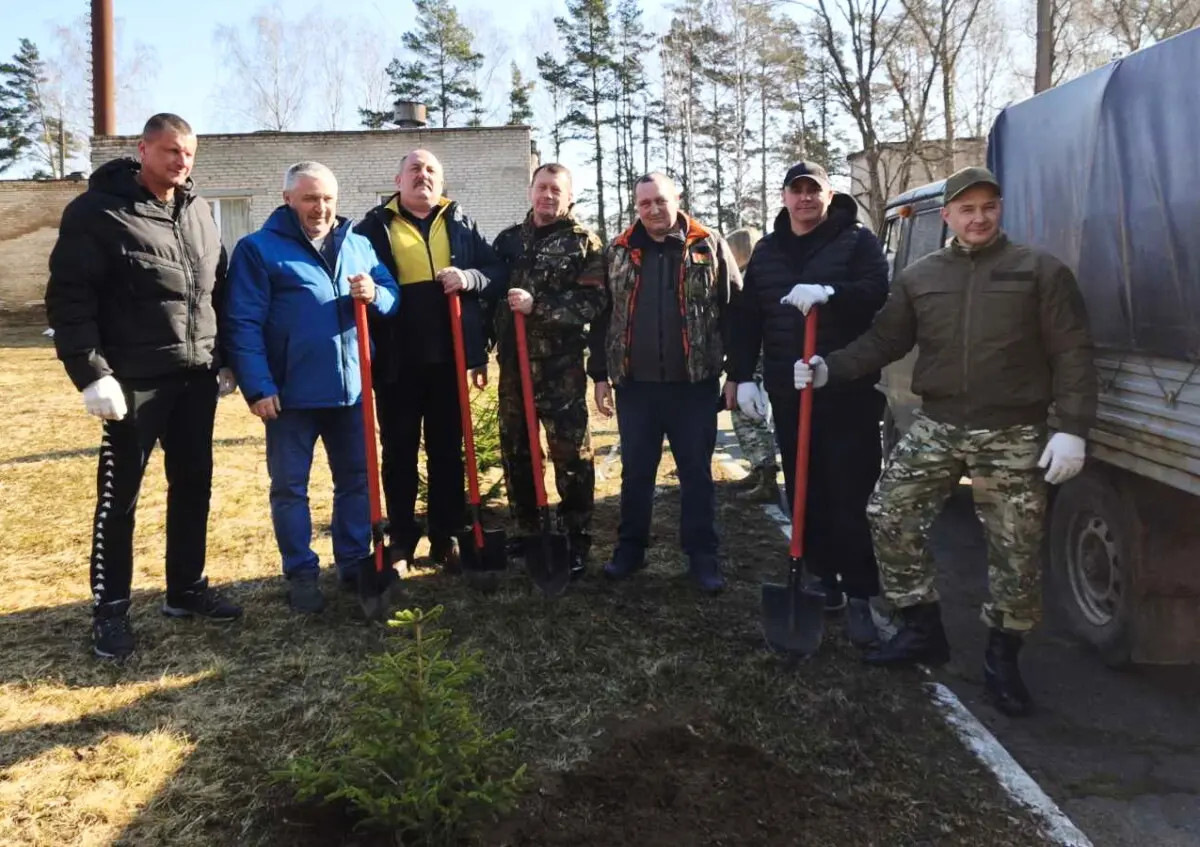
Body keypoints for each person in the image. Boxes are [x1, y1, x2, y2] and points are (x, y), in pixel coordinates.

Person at [794, 166, 1096, 715]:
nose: (978, 217)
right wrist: (827, 369)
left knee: (1016, 548)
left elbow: (1073, 353)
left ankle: (1003, 657)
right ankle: (920, 627)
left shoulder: (1039, 273)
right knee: (889, 513)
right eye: (966, 209)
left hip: (1012, 429)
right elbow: (885, 340)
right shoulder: (921, 275)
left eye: (987, 207)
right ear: (949, 216)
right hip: (939, 423)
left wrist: (1072, 428)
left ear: (999, 210)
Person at [45, 113, 242, 660]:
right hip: (132, 381)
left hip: (196, 376)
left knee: (193, 485)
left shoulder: (199, 211)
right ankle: (109, 611)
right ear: (143, 149)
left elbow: (215, 292)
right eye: (172, 151)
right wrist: (91, 374)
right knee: (121, 498)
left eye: (190, 155)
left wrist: (223, 358)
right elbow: (70, 300)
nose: (182, 163)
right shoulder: (96, 213)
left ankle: (186, 589)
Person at [223, 162, 399, 614]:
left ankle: (354, 560)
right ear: (288, 200)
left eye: (326, 199)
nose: (319, 208)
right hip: (289, 396)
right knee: (289, 488)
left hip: (351, 392)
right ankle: (301, 572)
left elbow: (391, 294)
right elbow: (242, 322)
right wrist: (258, 386)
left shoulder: (359, 245)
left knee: (356, 482)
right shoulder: (258, 250)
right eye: (309, 199)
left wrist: (375, 296)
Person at [729, 162, 890, 647]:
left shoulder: (856, 241)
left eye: (813, 191)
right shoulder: (769, 251)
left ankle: (861, 594)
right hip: (788, 386)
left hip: (847, 389)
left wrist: (830, 292)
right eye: (796, 191)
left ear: (828, 194)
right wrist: (740, 376)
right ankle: (822, 581)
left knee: (850, 494)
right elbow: (747, 315)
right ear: (783, 196)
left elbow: (877, 291)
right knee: (806, 491)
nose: (804, 199)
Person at [588, 172, 742, 594]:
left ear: (677, 199)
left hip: (694, 386)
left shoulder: (708, 246)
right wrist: (600, 374)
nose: (653, 209)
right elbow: (602, 318)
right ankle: (630, 550)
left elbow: (734, 310)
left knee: (696, 474)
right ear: (635, 207)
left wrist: (739, 375)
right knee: (636, 472)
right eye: (644, 204)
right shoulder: (617, 252)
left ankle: (702, 556)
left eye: (660, 200)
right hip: (635, 387)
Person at [355, 149, 505, 573]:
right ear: (397, 179)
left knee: (447, 452)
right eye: (415, 169)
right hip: (397, 363)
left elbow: (496, 272)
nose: (424, 176)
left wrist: (469, 278)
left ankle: (446, 534)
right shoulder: (373, 228)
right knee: (398, 451)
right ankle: (402, 538)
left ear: (441, 182)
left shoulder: (460, 223)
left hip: (450, 360)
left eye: (432, 170)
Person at [492, 163, 607, 578]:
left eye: (557, 190)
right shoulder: (508, 241)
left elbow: (593, 303)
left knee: (570, 453)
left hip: (561, 368)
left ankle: (575, 536)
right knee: (517, 451)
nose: (548, 196)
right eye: (542, 188)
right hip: (512, 366)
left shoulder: (583, 244)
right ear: (530, 191)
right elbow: (490, 299)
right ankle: (527, 529)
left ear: (569, 196)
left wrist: (536, 307)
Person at [722, 226, 780, 505]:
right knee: (745, 416)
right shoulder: (750, 279)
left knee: (752, 417)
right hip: (750, 360)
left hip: (756, 361)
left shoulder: (749, 282)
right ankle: (759, 469)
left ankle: (766, 476)